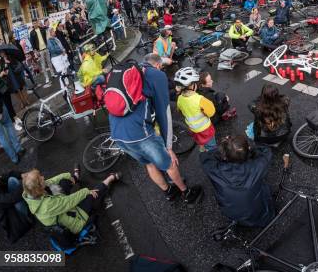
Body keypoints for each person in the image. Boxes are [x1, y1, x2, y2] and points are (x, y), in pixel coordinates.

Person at [110, 54, 202, 204]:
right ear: (158, 65)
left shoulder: (130, 72)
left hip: (117, 133)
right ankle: (187, 193)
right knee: (169, 163)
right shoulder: (157, 75)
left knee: (149, 163)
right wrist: (169, 147)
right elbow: (163, 112)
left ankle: (169, 192)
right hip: (140, 134)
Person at [199, 135, 274, 227]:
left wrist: (225, 147)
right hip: (258, 212)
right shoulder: (258, 166)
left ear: (225, 157)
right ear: (248, 151)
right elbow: (266, 151)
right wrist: (251, 146)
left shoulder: (214, 169)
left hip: (231, 213)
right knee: (263, 186)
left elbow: (205, 156)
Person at [22, 168, 120, 236]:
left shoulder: (31, 192)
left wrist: (69, 176)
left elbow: (51, 181)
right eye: (40, 178)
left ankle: (76, 177)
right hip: (74, 220)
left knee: (64, 181)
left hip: (61, 207)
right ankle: (110, 178)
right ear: (38, 188)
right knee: (91, 195)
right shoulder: (46, 206)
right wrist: (85, 191)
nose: (43, 177)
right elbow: (68, 202)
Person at [174, 67, 216, 150]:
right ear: (192, 86)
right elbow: (211, 113)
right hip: (205, 130)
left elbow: (180, 110)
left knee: (201, 143)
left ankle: (203, 150)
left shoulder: (180, 99)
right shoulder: (200, 99)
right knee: (212, 146)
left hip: (193, 129)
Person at [0, 171, 33, 243]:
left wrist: (21, 174)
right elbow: (12, 198)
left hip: (9, 203)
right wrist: (26, 183)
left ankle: (30, 200)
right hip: (12, 215)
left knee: (12, 180)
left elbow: (4, 176)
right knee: (19, 197)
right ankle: (27, 216)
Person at [29, 20, 54, 84]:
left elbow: (46, 34)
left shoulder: (42, 29)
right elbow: (32, 43)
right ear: (32, 24)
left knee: (49, 62)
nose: (35, 24)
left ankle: (52, 74)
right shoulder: (32, 33)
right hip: (39, 50)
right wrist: (35, 51)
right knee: (43, 65)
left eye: (35, 23)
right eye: (33, 23)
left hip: (46, 48)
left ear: (37, 23)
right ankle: (47, 78)